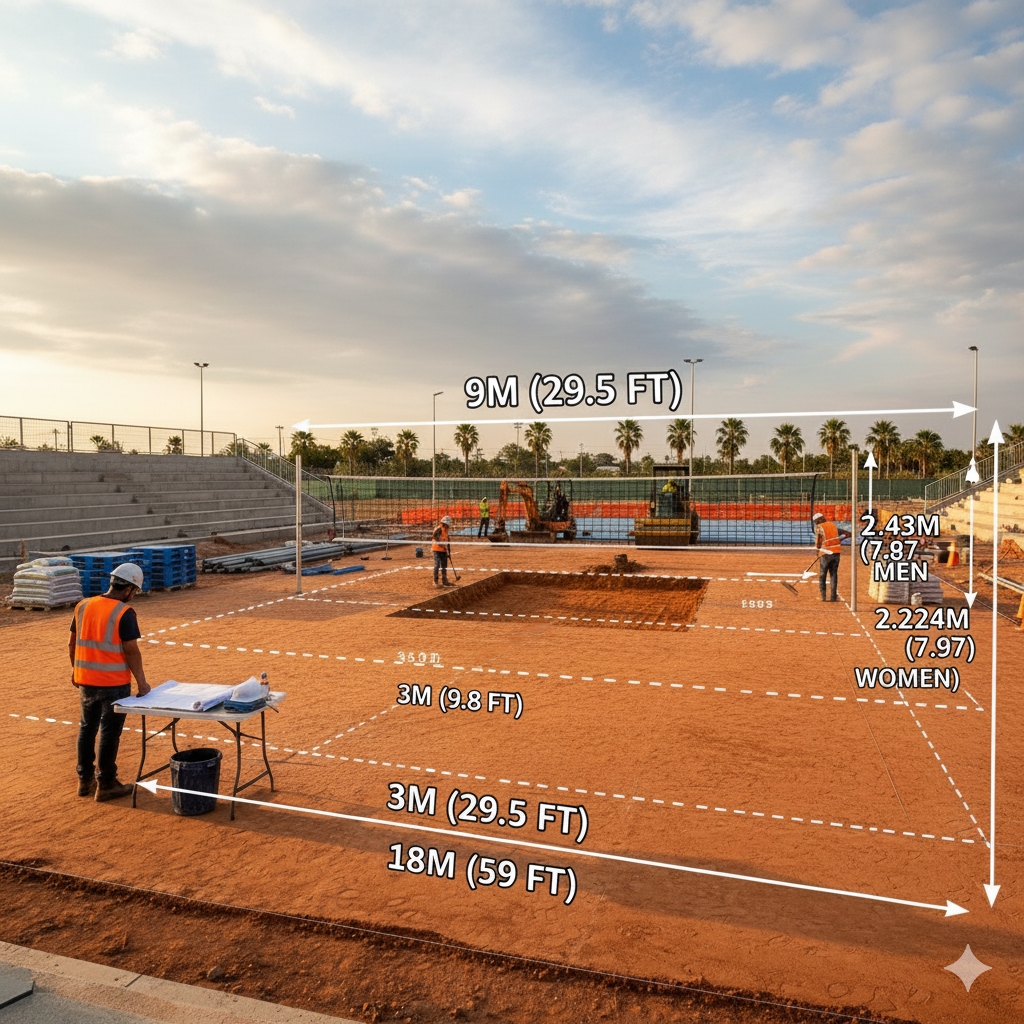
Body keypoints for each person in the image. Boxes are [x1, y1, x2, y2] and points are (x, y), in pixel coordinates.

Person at [69, 563, 151, 801]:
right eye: (134, 591)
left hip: (86, 680)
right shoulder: (124, 612)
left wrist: (75, 671)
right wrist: (142, 683)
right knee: (109, 732)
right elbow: (131, 650)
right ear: (129, 589)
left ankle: (84, 780)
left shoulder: (83, 605)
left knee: (87, 728)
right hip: (113, 683)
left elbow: (72, 643)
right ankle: (106, 784)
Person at [813, 511, 851, 603]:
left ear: (816, 521)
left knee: (822, 575)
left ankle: (823, 597)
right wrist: (838, 540)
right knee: (833, 574)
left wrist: (818, 552)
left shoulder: (819, 527)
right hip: (836, 553)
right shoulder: (833, 526)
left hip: (825, 553)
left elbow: (818, 543)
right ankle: (833, 597)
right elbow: (848, 534)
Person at [432, 515, 454, 587]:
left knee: (444, 566)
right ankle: (435, 582)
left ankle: (445, 581)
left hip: (443, 550)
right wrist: (442, 546)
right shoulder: (439, 529)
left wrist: (448, 552)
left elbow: (447, 541)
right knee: (437, 565)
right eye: (446, 524)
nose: (447, 526)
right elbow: (436, 538)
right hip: (436, 550)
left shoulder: (446, 530)